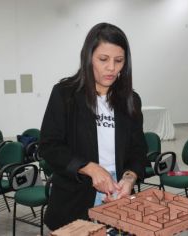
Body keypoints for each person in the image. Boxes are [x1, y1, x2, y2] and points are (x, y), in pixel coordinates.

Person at [39, 22, 147, 231]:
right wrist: (90, 168)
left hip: (117, 197)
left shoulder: (131, 100)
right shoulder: (65, 94)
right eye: (103, 59)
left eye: (119, 61)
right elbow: (49, 146)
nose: (111, 68)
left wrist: (129, 178)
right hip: (74, 198)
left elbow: (138, 149)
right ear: (88, 58)